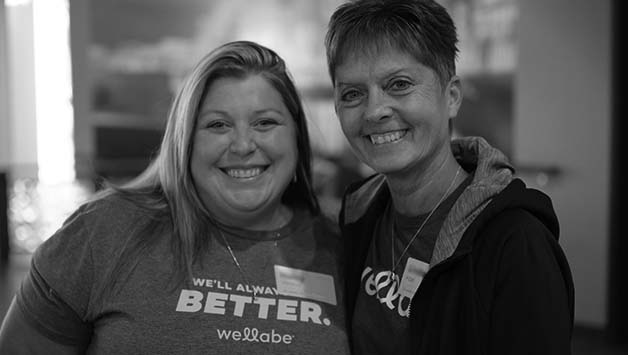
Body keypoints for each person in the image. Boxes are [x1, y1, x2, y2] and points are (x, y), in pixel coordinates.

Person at [0, 41, 350, 354]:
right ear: (185, 143)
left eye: (265, 123)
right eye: (218, 125)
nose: (243, 145)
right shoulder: (103, 232)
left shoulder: (345, 246)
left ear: (297, 138)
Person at [324, 0, 574, 354]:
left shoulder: (515, 243)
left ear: (452, 96)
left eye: (399, 84)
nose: (375, 110)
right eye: (352, 94)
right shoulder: (359, 213)